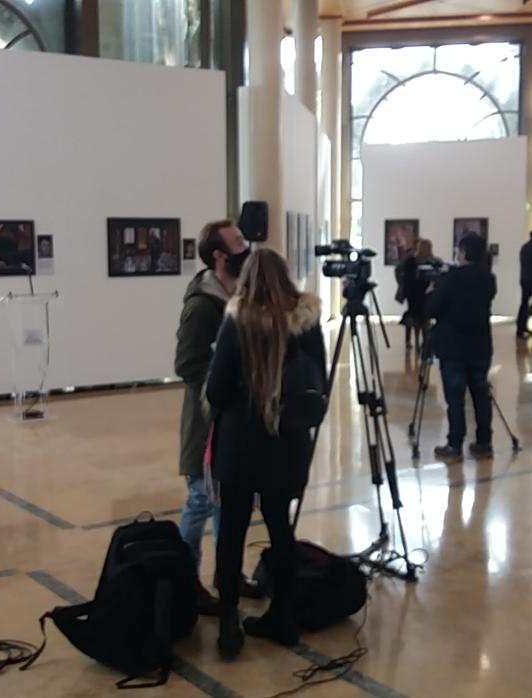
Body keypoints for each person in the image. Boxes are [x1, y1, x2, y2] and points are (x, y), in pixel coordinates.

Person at [205, 248, 326, 659]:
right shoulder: (307, 324)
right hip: (287, 444)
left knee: (232, 531)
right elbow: (319, 384)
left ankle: (227, 624)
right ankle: (285, 618)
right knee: (281, 531)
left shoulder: (236, 322)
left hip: (240, 446)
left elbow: (216, 391)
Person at [174, 219, 254, 615]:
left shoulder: (239, 296)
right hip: (207, 422)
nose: (247, 246)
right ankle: (185, 580)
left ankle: (228, 575)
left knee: (231, 503)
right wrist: (222, 389)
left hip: (235, 423)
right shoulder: (201, 307)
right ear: (220, 256)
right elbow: (187, 364)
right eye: (238, 242)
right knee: (201, 501)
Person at [427, 235, 497, 461]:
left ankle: (455, 444)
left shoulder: (450, 278)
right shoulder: (489, 279)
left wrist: (433, 288)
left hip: (454, 347)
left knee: (455, 398)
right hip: (480, 345)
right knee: (480, 395)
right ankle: (484, 442)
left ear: (463, 253)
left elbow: (433, 309)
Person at [395, 238, 443, 352]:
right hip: (423, 293)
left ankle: (413, 341)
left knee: (414, 315)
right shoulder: (432, 261)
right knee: (423, 317)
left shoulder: (411, 260)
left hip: (413, 293)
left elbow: (404, 276)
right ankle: (424, 342)